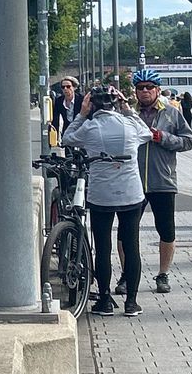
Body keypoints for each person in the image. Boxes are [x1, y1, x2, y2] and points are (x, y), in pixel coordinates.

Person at [64, 85, 153, 317]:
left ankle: (104, 300)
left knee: (102, 247)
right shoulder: (130, 126)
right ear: (116, 103)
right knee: (131, 246)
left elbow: (67, 138)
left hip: (101, 195)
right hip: (130, 193)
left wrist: (81, 114)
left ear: (92, 104)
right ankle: (131, 302)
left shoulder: (90, 127)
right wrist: (128, 109)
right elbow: (147, 133)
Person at [113, 67, 192, 296]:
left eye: (150, 87)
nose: (145, 91)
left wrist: (162, 137)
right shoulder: (127, 114)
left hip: (163, 179)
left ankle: (163, 273)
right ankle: (128, 274)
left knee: (166, 230)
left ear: (158, 90)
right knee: (126, 231)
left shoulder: (171, 113)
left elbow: (188, 141)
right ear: (136, 92)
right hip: (132, 180)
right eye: (141, 88)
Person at [51, 77, 82, 142]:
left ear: (74, 87)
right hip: (67, 130)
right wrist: (55, 138)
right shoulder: (59, 101)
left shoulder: (81, 100)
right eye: (63, 87)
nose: (65, 89)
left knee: (82, 151)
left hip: (81, 130)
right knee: (68, 150)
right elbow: (55, 119)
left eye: (68, 86)